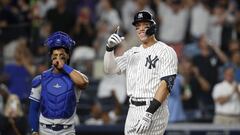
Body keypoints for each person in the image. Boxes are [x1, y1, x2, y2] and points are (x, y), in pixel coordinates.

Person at [104, 10, 178, 135]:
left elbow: (166, 84)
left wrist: (148, 114)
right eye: (138, 27)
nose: (141, 29)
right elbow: (109, 69)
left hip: (153, 108)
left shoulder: (165, 51)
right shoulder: (133, 52)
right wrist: (109, 49)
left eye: (145, 26)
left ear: (153, 27)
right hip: (132, 108)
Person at [28, 31, 89, 135]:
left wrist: (63, 66)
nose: (58, 58)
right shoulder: (41, 79)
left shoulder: (76, 77)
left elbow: (83, 83)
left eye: (62, 55)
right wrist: (34, 131)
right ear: (50, 57)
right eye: (55, 55)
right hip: (44, 130)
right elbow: (33, 109)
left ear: (68, 56)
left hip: (67, 131)